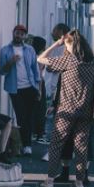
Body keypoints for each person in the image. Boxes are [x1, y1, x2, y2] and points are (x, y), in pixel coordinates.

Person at [37, 30, 94, 187]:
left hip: (66, 110)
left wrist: (55, 44)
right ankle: (79, 183)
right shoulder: (93, 62)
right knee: (81, 147)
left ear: (70, 43)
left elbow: (40, 59)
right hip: (86, 111)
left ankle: (49, 181)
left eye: (65, 44)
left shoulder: (68, 60)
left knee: (56, 145)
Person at [0, 25, 41, 156]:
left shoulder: (30, 50)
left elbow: (36, 70)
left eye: (22, 34)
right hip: (15, 89)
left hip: (30, 87)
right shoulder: (5, 50)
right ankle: (25, 144)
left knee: (29, 117)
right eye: (17, 33)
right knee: (21, 117)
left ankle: (27, 145)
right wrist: (11, 62)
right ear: (13, 33)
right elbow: (2, 71)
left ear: (25, 36)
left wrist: (39, 88)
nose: (19, 35)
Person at [41, 23, 70, 161]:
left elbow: (54, 66)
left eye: (54, 30)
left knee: (55, 123)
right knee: (55, 122)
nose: (52, 32)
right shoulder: (59, 48)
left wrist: (53, 67)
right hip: (52, 89)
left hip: (58, 91)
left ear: (61, 33)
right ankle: (58, 151)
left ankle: (53, 152)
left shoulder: (64, 48)